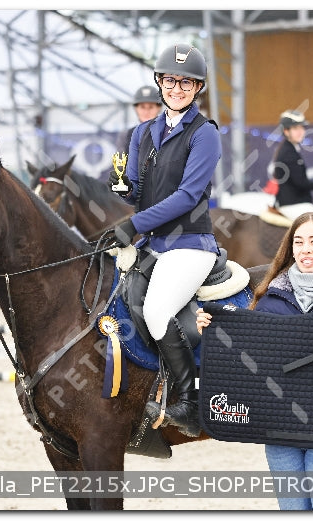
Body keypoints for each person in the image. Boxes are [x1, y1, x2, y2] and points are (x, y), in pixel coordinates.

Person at [196, 211, 313, 510]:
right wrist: (214, 331)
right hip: (281, 429)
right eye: (298, 242)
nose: (306, 249)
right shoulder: (270, 299)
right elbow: (250, 362)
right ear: (291, 249)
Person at [108, 43, 221, 438]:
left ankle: (189, 402)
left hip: (190, 243)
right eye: (171, 80)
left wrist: (133, 223)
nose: (178, 88)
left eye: (186, 82)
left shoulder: (205, 135)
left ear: (197, 88)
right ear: (160, 82)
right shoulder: (143, 132)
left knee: (157, 312)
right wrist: (122, 187)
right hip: (153, 244)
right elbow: (138, 190)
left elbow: (188, 196)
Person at [116, 85, 163, 154]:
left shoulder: (167, 133)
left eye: (151, 107)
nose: (146, 112)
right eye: (142, 107)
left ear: (159, 108)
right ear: (136, 109)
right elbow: (120, 161)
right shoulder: (126, 135)